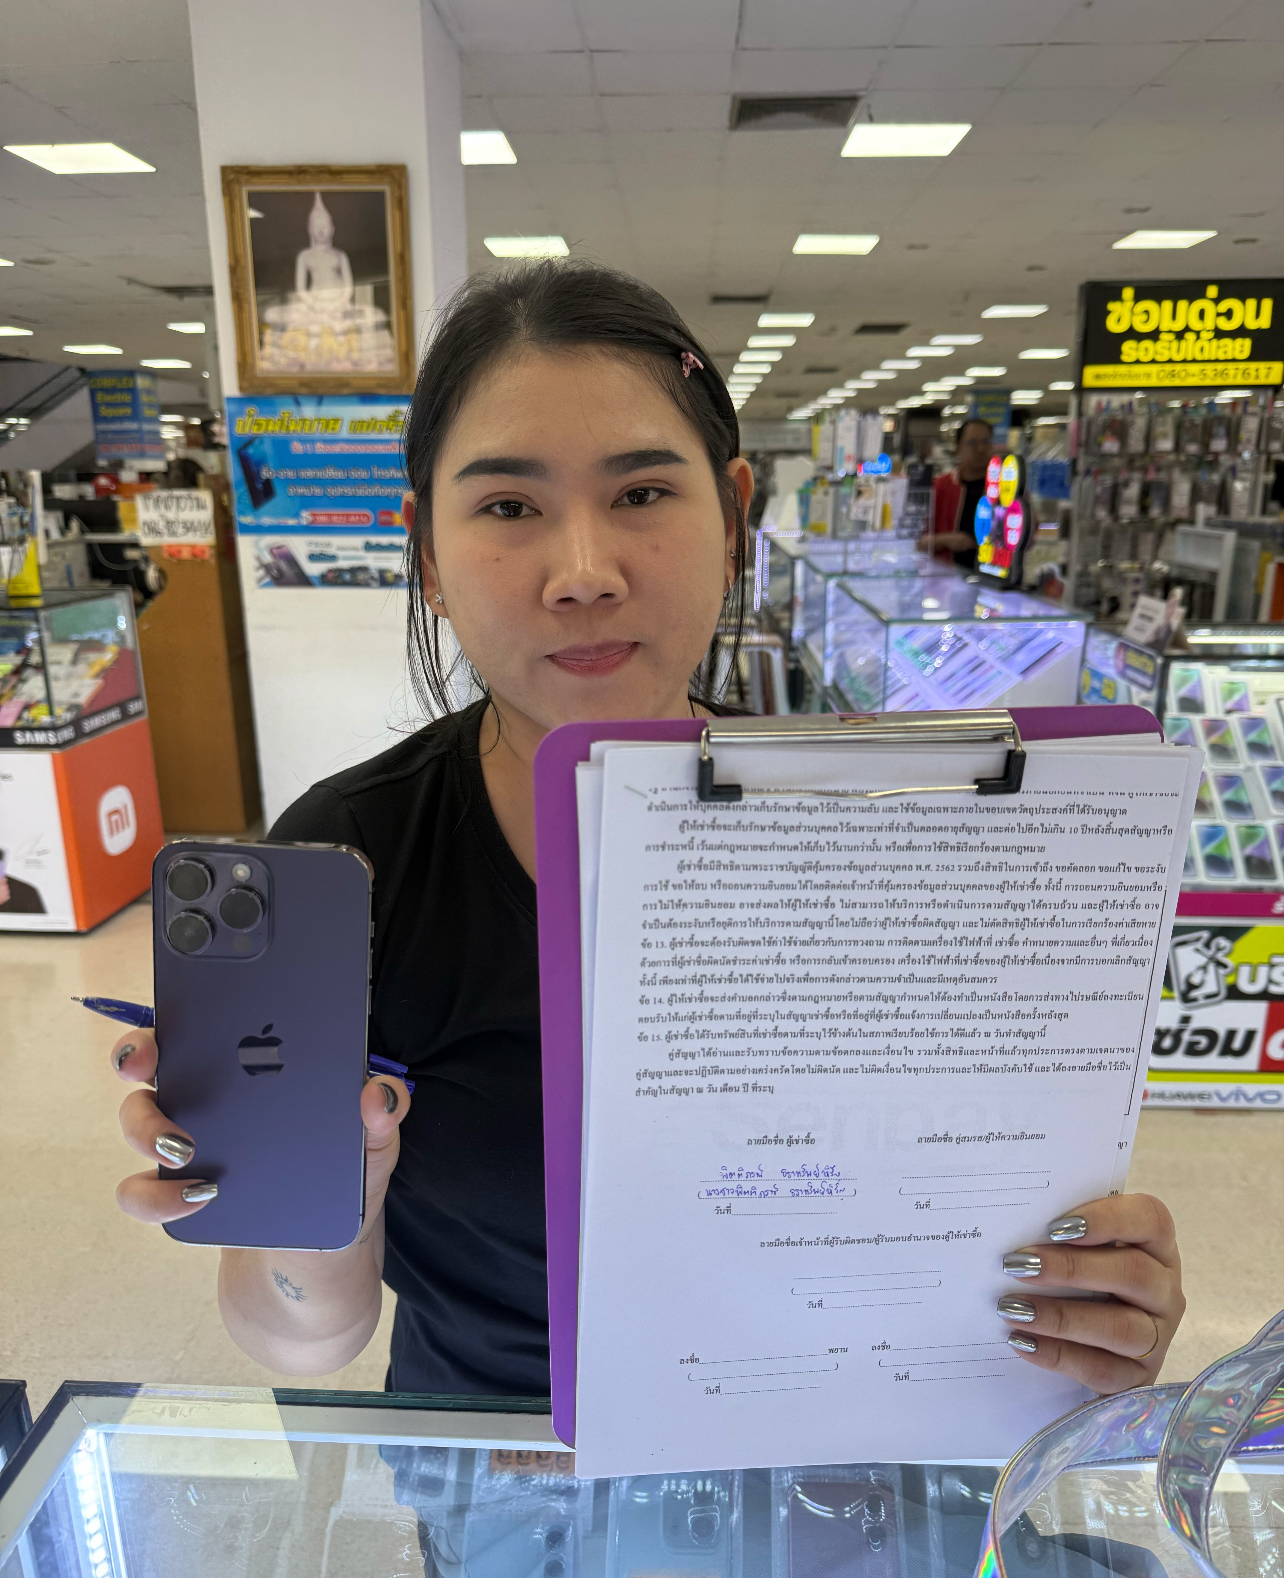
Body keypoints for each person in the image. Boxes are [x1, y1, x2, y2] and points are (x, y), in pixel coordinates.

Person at [111, 261, 1185, 1403]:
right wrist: (324, 1190)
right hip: (494, 1464)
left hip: (823, 1450)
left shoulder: (886, 840)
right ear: (426, 553)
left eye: (641, 494)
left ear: (731, 517)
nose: (584, 574)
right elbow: (301, 1341)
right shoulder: (348, 862)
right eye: (508, 506)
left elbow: (975, 1235)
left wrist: (1089, 1307)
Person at [924, 417, 994, 570]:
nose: (980, 449)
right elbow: (915, 541)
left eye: (986, 442)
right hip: (946, 575)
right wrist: (944, 540)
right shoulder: (940, 487)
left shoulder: (1006, 488)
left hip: (994, 575)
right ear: (958, 448)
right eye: (972, 443)